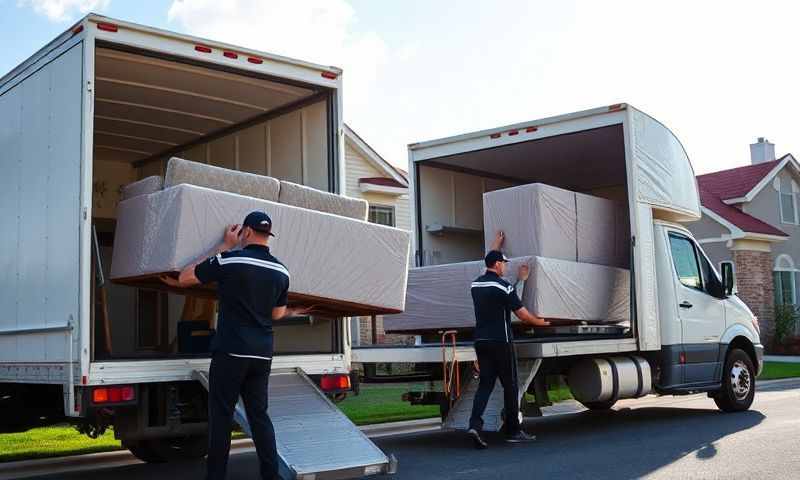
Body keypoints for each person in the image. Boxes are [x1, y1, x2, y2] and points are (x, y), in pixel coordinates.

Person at [162, 211, 311, 480]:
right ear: (268, 236)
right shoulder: (282, 271)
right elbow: (277, 315)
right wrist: (292, 312)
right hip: (262, 354)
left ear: (247, 232)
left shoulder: (230, 259)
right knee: (259, 417)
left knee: (221, 418)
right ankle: (271, 476)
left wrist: (224, 245)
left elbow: (185, 278)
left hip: (231, 351)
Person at [467, 231, 550, 449]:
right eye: (503, 263)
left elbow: (485, 271)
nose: (506, 266)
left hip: (481, 342)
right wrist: (539, 322)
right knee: (510, 387)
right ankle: (513, 430)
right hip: (501, 342)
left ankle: (475, 424)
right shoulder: (505, 287)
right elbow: (521, 314)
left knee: (485, 385)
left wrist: (496, 246)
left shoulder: (476, 285)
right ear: (496, 265)